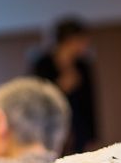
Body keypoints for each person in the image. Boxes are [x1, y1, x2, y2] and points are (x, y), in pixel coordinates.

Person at [32, 17, 97, 154]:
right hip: (49, 129)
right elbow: (36, 96)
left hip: (78, 131)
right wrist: (60, 87)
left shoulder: (83, 66)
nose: (85, 44)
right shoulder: (43, 64)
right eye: (82, 40)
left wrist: (93, 136)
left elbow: (90, 102)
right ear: (70, 40)